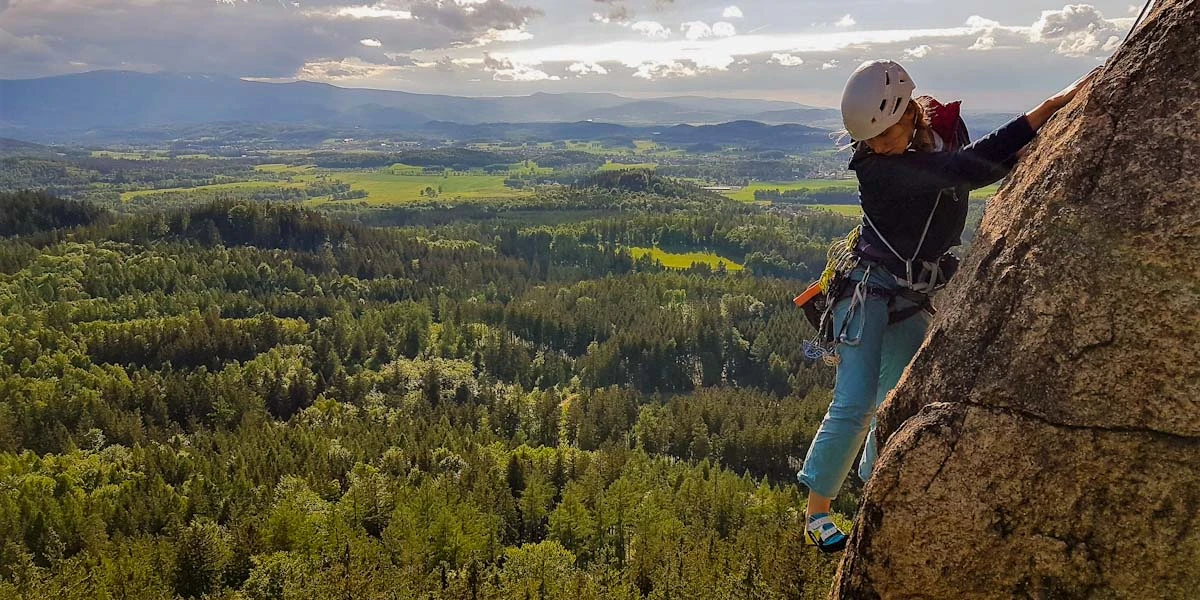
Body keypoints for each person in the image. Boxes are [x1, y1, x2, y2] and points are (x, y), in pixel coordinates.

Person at [798, 59, 1098, 553]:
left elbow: (974, 163)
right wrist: (1048, 109)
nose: (876, 146)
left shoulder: (943, 131)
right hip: (866, 289)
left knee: (897, 400)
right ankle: (817, 513)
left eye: (885, 135)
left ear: (908, 114)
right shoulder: (878, 172)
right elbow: (963, 170)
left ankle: (878, 485)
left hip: (910, 292)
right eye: (869, 140)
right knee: (855, 402)